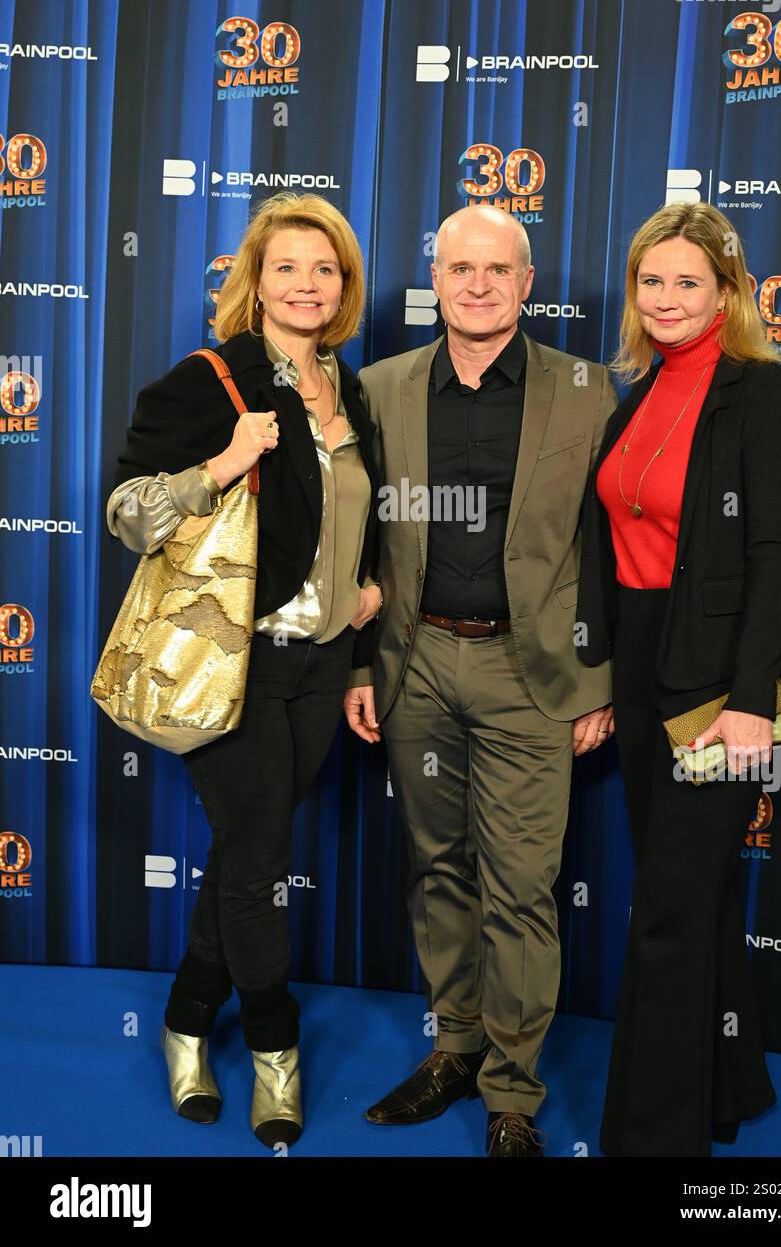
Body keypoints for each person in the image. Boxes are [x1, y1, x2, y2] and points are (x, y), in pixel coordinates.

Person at [105, 193, 382, 1148]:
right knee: (262, 863)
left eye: (326, 270)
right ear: (253, 282)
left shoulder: (350, 391)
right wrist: (218, 465)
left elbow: (351, 518)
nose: (308, 286)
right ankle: (275, 1054)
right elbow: (129, 514)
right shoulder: (210, 380)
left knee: (242, 854)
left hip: (323, 664)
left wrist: (364, 593)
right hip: (234, 664)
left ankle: (186, 1021)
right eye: (287, 268)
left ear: (344, 288)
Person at [343, 205, 618, 1157]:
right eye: (460, 268)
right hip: (414, 666)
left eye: (497, 269)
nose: (477, 285)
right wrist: (358, 665)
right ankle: (451, 1051)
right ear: (436, 277)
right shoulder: (378, 390)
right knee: (438, 872)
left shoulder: (587, 392)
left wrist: (599, 678)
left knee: (521, 888)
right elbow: (359, 542)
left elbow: (610, 543)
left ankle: (511, 1093)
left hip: (531, 674)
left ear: (526, 282)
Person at [576, 201, 781, 1157]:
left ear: (725, 295)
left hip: (716, 683)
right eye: (650, 281)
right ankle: (731, 1081)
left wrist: (751, 703)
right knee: (698, 899)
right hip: (638, 661)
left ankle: (653, 1143)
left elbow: (772, 554)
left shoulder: (762, 392)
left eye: (687, 283)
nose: (666, 298)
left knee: (669, 911)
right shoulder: (637, 390)